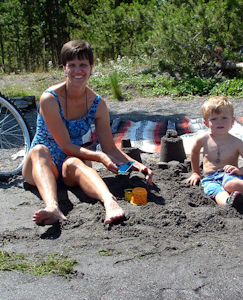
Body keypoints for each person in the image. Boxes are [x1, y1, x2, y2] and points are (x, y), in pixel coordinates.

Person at [22, 40, 153, 226]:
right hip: (40, 165)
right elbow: (65, 145)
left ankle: (109, 201)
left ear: (91, 67)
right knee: (38, 150)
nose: (78, 71)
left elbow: (109, 147)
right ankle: (52, 206)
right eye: (72, 65)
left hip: (71, 163)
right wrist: (99, 157)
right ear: (64, 69)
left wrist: (136, 165)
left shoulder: (97, 104)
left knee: (74, 161)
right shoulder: (49, 98)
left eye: (83, 65)